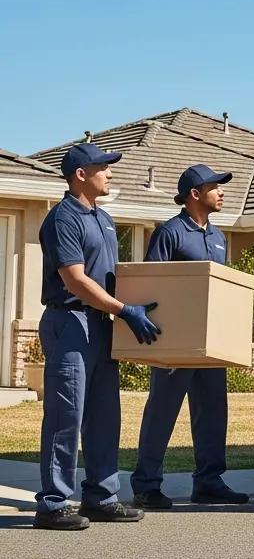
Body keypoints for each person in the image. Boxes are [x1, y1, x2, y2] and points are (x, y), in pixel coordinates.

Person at [34, 142, 161, 531]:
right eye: (103, 167)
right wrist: (124, 310)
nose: (110, 173)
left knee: (105, 415)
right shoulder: (63, 219)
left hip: (103, 324)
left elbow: (111, 275)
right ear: (80, 175)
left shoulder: (103, 219)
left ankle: (101, 497)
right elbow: (75, 278)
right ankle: (54, 503)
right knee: (65, 415)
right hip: (70, 322)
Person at [130, 164, 249, 510]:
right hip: (176, 344)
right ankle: (146, 485)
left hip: (210, 345)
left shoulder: (218, 237)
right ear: (195, 195)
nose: (222, 191)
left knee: (213, 412)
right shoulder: (169, 233)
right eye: (215, 187)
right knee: (161, 413)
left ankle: (209, 482)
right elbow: (154, 286)